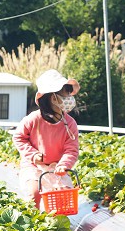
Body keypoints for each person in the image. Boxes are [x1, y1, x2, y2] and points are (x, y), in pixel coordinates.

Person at [13, 69, 80, 209]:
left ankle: (57, 226)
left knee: (63, 198)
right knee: (34, 193)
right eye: (64, 93)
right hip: (34, 165)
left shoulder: (70, 123)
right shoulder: (33, 119)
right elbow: (18, 137)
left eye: (68, 92)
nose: (68, 97)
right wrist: (32, 155)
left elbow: (71, 150)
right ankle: (34, 224)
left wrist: (64, 165)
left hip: (57, 166)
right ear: (51, 97)